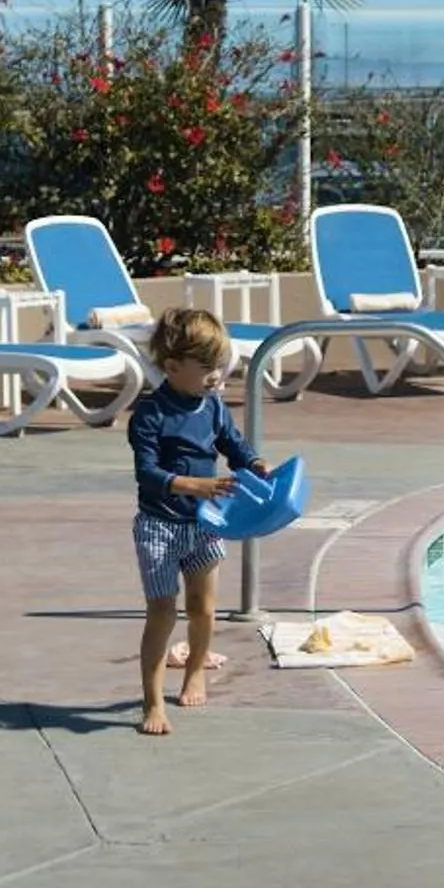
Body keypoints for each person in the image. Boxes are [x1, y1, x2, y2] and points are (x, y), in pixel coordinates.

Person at [124, 307, 269, 737]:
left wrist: (255, 462)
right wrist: (196, 485)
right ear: (172, 367)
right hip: (160, 525)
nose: (216, 376)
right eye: (206, 368)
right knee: (162, 612)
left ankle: (194, 672)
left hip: (205, 523)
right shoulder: (150, 415)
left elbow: (232, 443)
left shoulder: (213, 406)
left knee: (203, 608)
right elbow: (147, 474)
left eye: (220, 366)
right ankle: (152, 700)